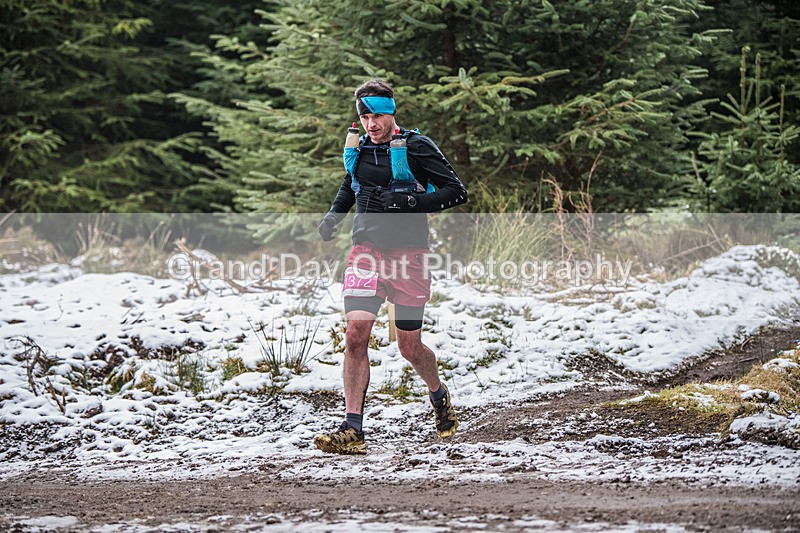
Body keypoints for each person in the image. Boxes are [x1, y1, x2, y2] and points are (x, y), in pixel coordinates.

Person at [314, 78, 468, 454]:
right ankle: (353, 429)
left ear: (392, 111)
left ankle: (438, 393)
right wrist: (334, 216)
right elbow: (352, 184)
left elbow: (456, 191)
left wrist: (409, 204)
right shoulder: (360, 148)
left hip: (409, 257)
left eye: (377, 115)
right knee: (355, 335)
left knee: (409, 347)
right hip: (365, 252)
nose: (371, 124)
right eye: (365, 116)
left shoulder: (416, 146)